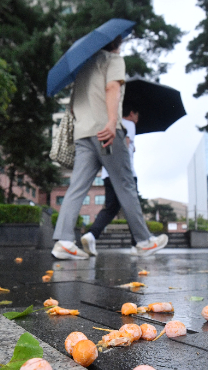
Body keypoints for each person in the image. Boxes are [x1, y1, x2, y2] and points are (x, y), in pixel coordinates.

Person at [51, 36, 168, 260]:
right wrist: (112, 122)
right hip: (105, 132)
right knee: (125, 184)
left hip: (83, 134)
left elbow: (74, 108)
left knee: (76, 187)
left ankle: (64, 241)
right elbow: (112, 87)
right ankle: (144, 241)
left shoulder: (83, 69)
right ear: (116, 43)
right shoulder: (113, 60)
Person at [81, 104, 140, 256]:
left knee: (110, 208)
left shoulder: (111, 123)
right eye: (137, 115)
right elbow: (125, 145)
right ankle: (138, 243)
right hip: (124, 173)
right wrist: (131, 149)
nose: (137, 119)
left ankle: (92, 234)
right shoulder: (129, 125)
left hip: (108, 173)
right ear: (132, 113)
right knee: (132, 206)